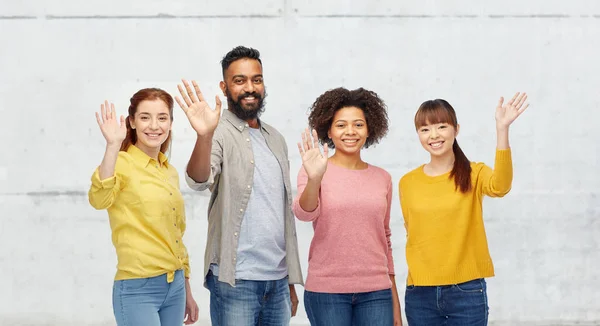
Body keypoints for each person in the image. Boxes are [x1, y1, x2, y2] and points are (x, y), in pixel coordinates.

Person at [176, 45, 303, 326]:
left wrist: (290, 281)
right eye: (239, 80)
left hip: (278, 282)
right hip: (235, 281)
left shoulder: (276, 139)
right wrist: (204, 136)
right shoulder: (218, 132)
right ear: (224, 86)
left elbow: (281, 215)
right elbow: (198, 180)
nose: (250, 87)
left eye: (256, 79)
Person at [399, 93, 529, 325]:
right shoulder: (407, 182)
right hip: (420, 293)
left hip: (466, 291)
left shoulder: (473, 173)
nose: (434, 135)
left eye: (441, 126)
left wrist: (502, 129)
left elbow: (501, 186)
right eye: (425, 129)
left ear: (456, 129)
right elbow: (414, 234)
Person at [88, 88, 199, 325]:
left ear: (170, 123)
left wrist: (187, 289)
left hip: (175, 286)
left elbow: (177, 236)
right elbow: (99, 199)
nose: (154, 125)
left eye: (162, 117)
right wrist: (112, 146)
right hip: (138, 288)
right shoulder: (121, 162)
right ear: (132, 122)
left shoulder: (169, 171)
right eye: (145, 117)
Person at [292, 87, 402, 326]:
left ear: (369, 128)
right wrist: (314, 179)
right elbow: (304, 212)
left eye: (358, 125)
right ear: (328, 131)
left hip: (376, 292)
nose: (350, 132)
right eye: (341, 125)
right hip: (327, 291)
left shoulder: (382, 178)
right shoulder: (314, 170)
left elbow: (385, 238)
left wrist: (394, 299)